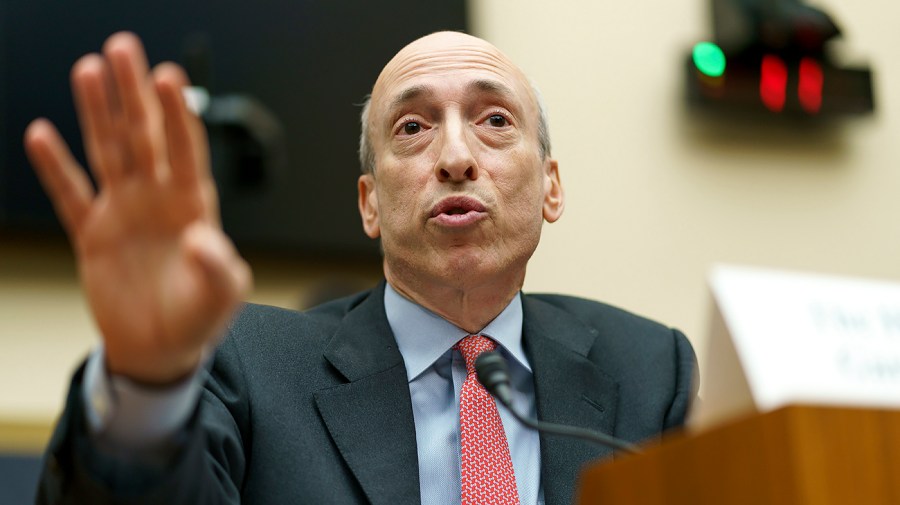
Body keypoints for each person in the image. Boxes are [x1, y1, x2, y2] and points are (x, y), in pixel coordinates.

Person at [25, 30, 697, 504]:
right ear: (370, 203)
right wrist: (145, 379)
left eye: (494, 119)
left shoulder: (647, 370)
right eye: (412, 128)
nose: (456, 156)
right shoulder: (247, 364)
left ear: (551, 186)